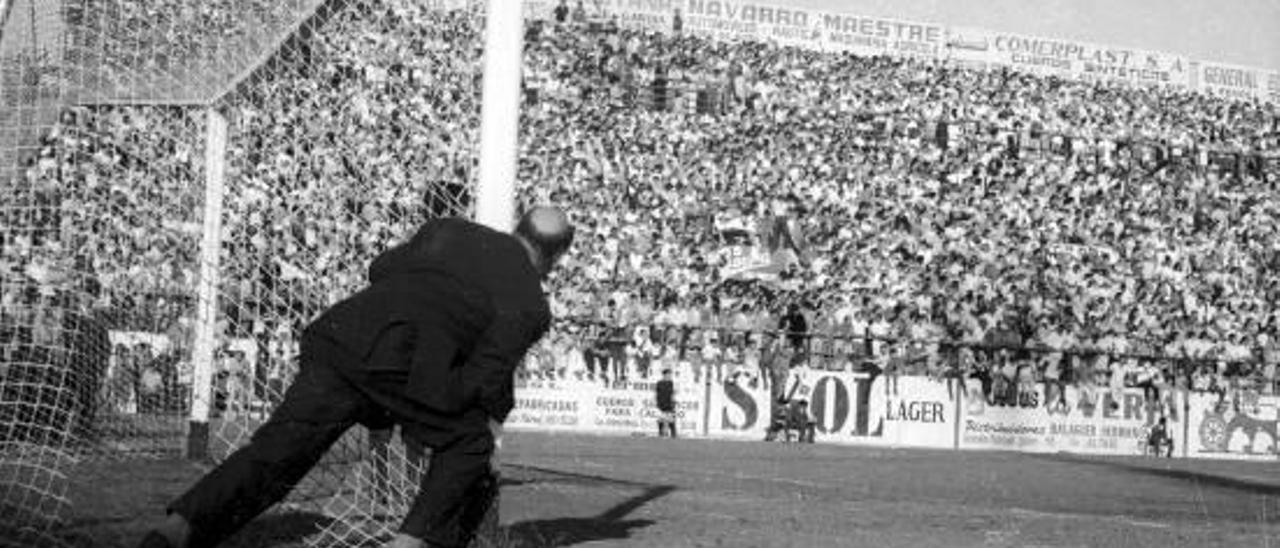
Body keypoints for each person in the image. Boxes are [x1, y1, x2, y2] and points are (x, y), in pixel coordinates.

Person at [139, 206, 574, 548]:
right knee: (470, 444)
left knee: (275, 452)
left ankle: (178, 529)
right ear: (556, 257)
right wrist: (432, 416)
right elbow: (482, 379)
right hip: (409, 363)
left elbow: (379, 269)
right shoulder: (530, 304)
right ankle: (410, 542)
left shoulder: (449, 230)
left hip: (344, 338)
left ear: (517, 224)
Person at [655, 368, 677, 438]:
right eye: (668, 374)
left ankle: (673, 434)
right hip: (661, 403)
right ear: (664, 375)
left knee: (671, 419)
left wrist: (673, 401)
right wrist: (657, 402)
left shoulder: (671, 383)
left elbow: (672, 393)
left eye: (670, 374)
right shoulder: (659, 383)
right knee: (660, 419)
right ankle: (660, 433)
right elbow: (657, 393)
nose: (669, 376)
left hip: (669, 404)